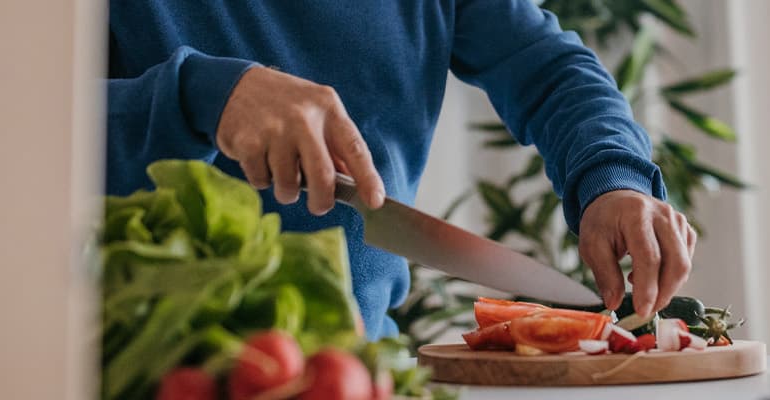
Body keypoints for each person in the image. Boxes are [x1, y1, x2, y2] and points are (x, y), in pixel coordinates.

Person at [106, 0, 697, 339]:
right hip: (131, 360)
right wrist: (200, 95)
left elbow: (547, 68)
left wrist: (612, 177)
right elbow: (19, 125)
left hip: (359, 366)